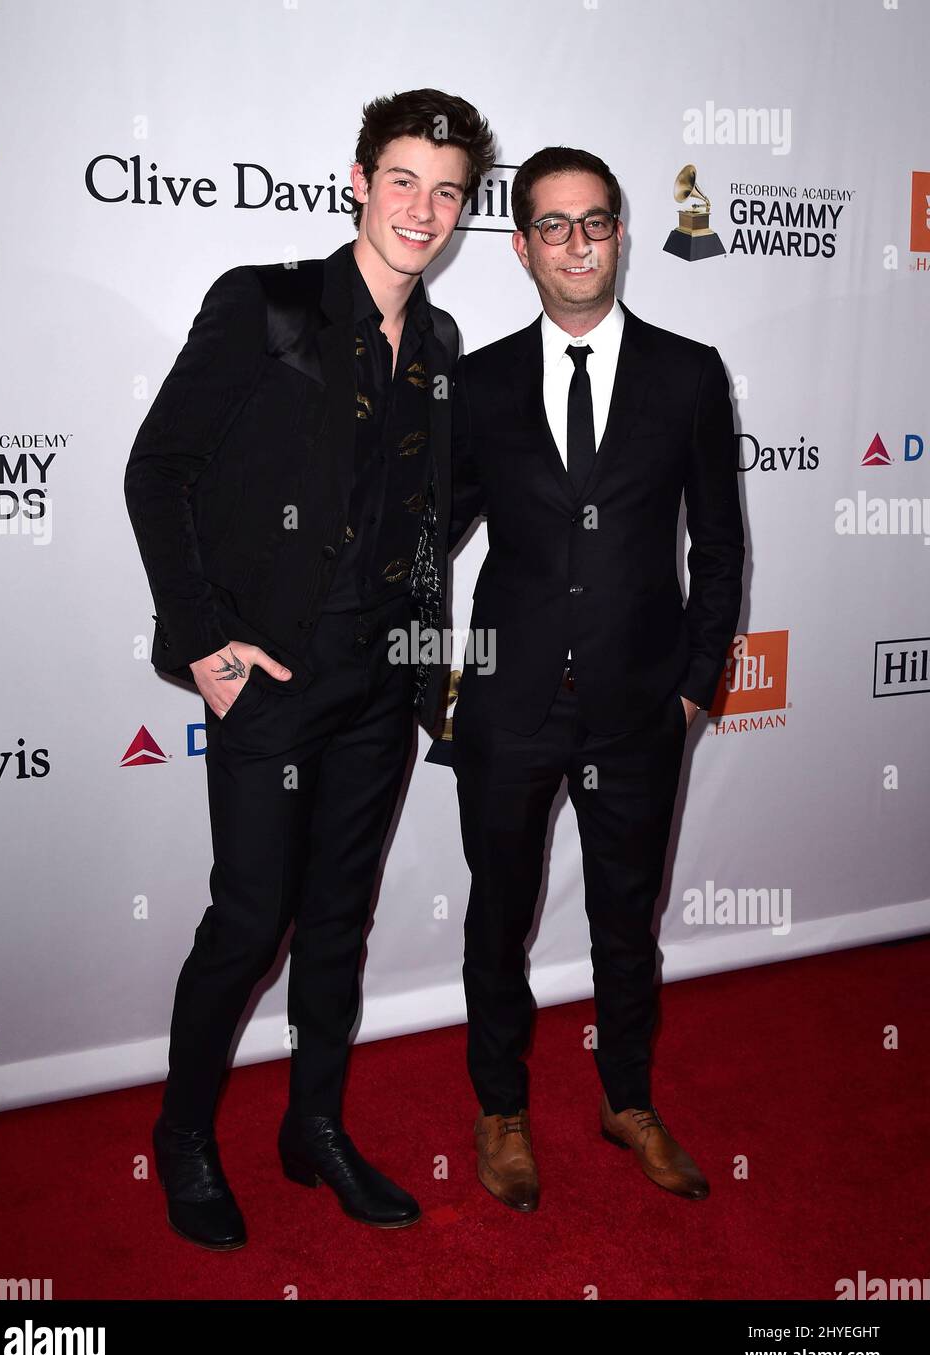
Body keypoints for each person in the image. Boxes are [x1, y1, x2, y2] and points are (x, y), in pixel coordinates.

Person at [124, 88, 495, 1248]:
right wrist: (205, 645)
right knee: (248, 920)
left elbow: (432, 519)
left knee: (339, 917)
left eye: (446, 192)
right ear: (356, 181)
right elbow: (158, 470)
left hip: (379, 682)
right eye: (402, 182)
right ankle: (182, 1134)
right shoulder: (268, 304)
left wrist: (430, 669)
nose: (422, 210)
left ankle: (313, 1127)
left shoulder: (439, 344)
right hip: (272, 680)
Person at [449, 146, 745, 1212]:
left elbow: (719, 547)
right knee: (499, 913)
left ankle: (627, 1098)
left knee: (627, 918)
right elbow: (424, 540)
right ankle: (501, 1108)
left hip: (637, 710)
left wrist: (692, 685)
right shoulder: (474, 382)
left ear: (622, 233)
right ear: (522, 246)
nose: (579, 243)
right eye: (554, 226)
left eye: (597, 222)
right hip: (508, 706)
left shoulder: (687, 371)